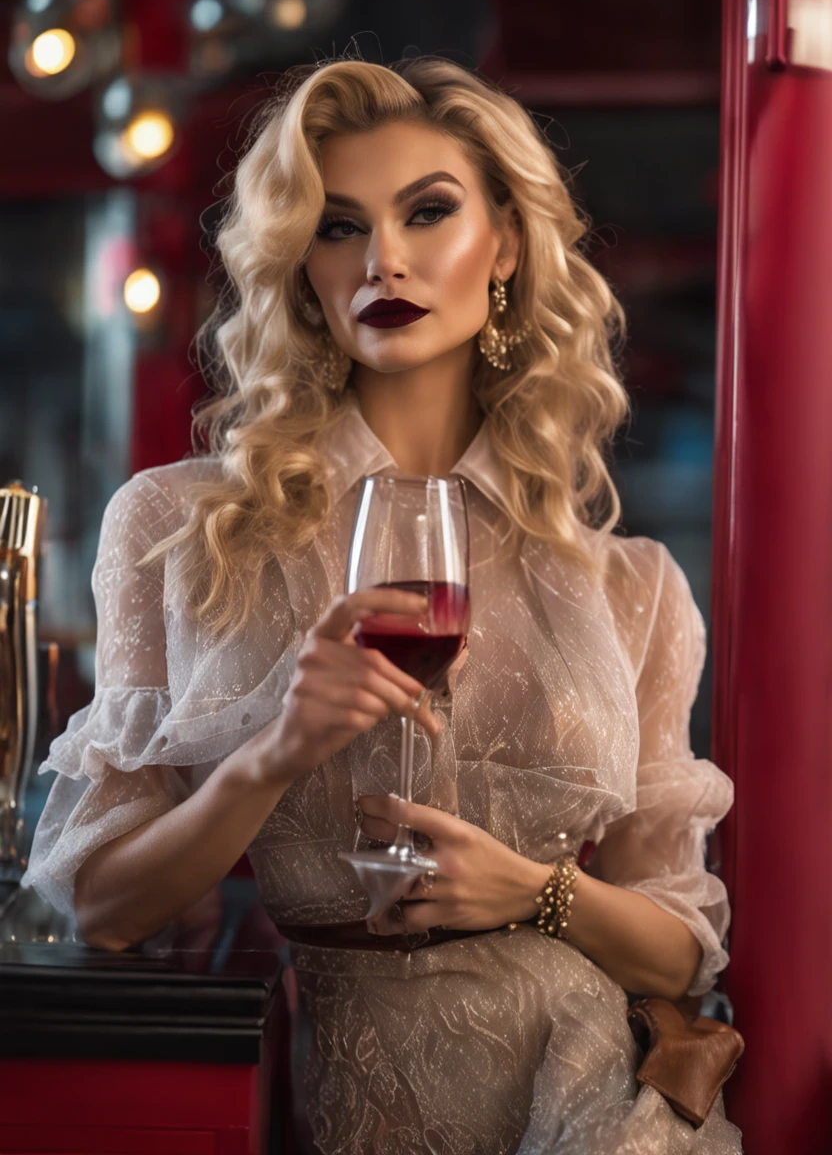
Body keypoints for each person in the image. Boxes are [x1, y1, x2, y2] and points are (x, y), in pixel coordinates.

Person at [22, 56, 742, 1153]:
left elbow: (681, 950)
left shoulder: (627, 584)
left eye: (428, 212)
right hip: (355, 1102)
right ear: (301, 264)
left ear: (503, 245)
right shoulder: (180, 532)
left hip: (599, 1096)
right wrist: (272, 748)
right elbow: (100, 907)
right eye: (338, 225)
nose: (384, 259)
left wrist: (530, 891)